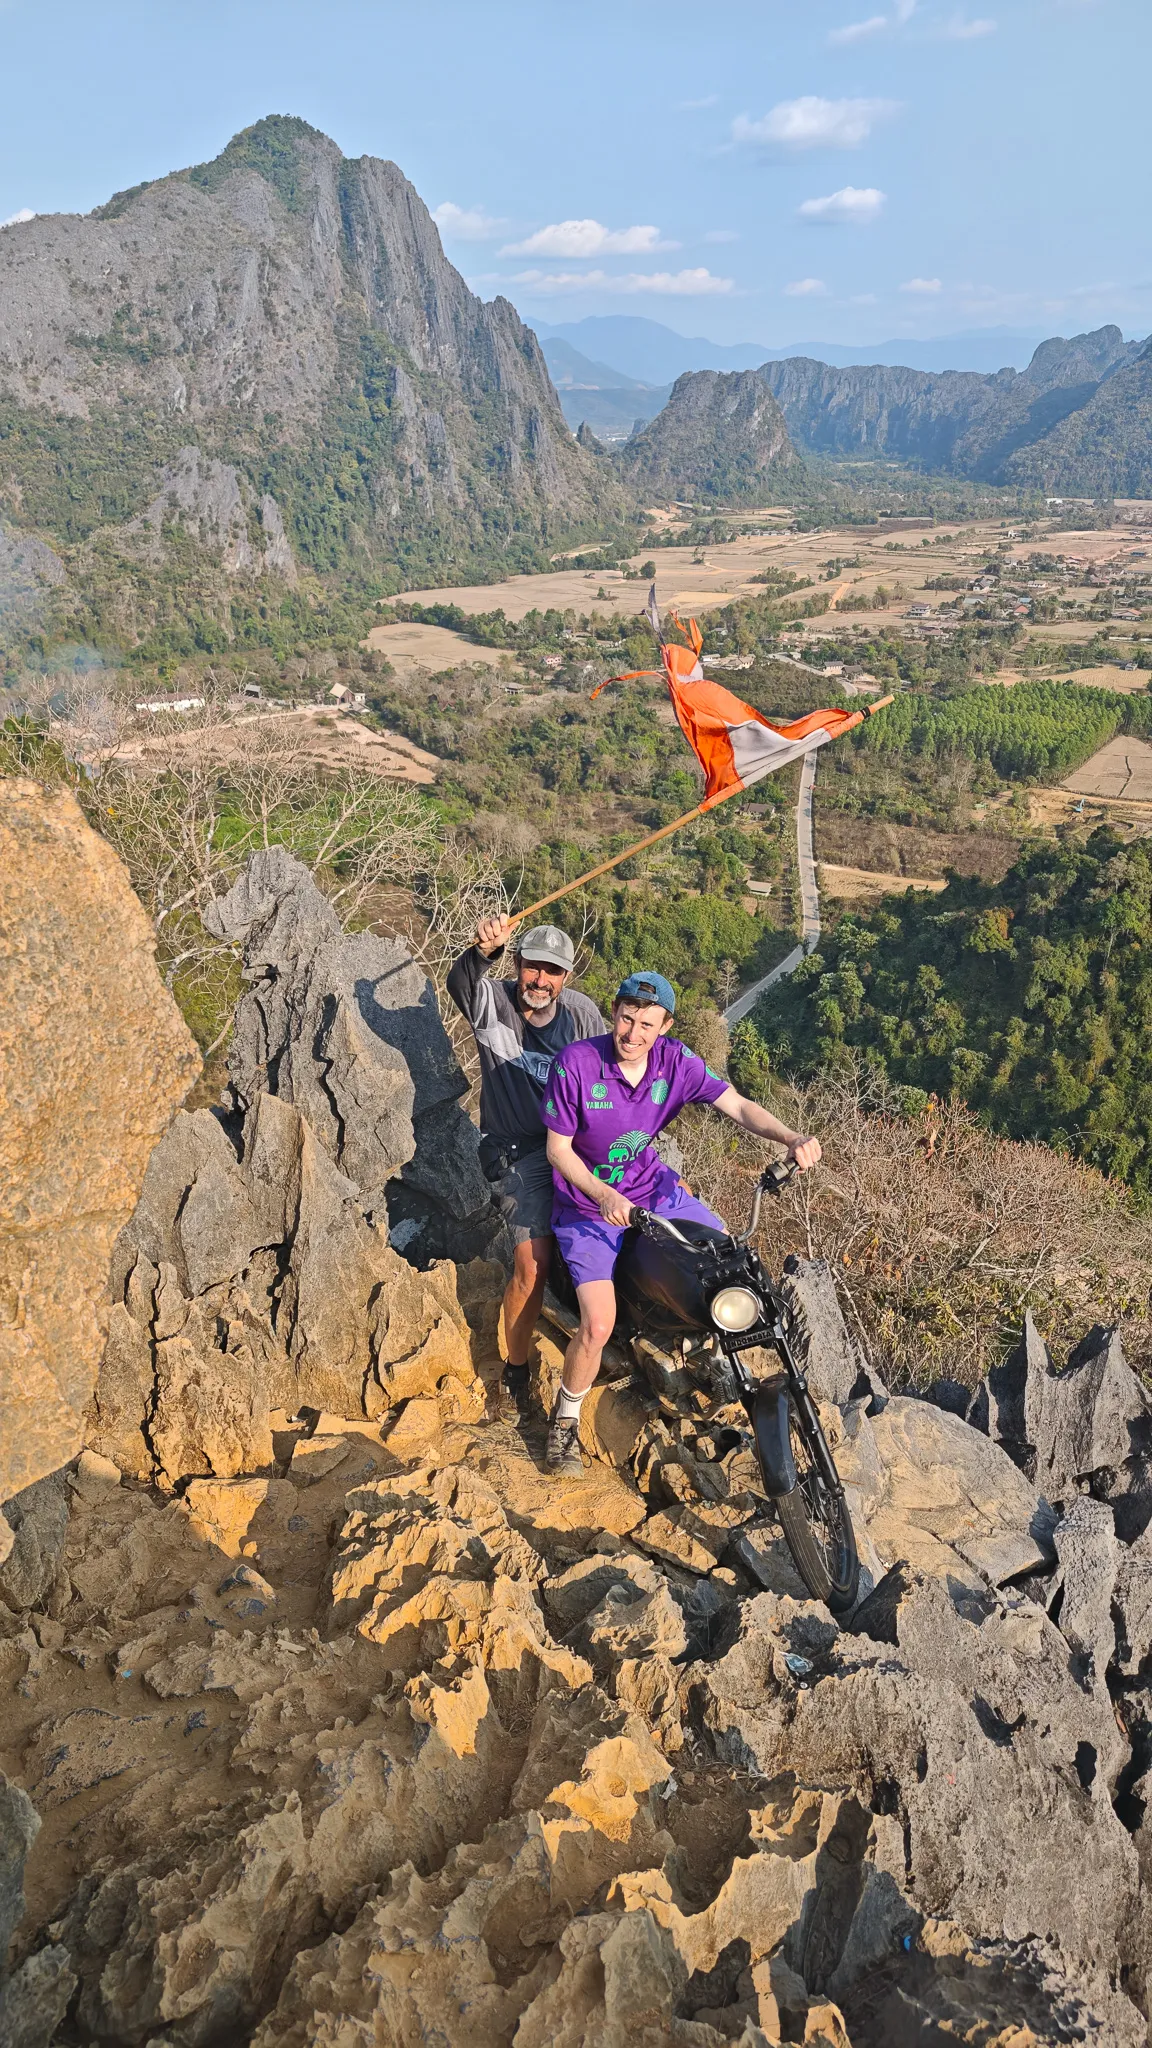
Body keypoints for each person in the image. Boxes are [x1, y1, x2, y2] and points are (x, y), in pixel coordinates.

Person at [541, 970, 821, 1477]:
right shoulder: (577, 1064)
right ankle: (564, 1420)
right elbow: (557, 1150)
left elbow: (736, 1104)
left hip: (655, 1190)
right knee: (598, 1322)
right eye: (627, 1019)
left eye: (648, 1025)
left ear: (665, 1026)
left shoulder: (675, 1062)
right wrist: (603, 1194)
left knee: (729, 1263)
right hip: (587, 1207)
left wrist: (789, 1136)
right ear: (614, 1012)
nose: (633, 1035)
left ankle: (719, 1361)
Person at [447, 913, 606, 1422]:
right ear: (517, 966)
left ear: (566, 977)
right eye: (532, 968)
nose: (541, 981)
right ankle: (516, 1371)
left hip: (574, 1145)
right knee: (532, 1265)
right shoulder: (491, 1000)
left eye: (552, 972)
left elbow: (607, 1079)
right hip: (516, 1150)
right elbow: (460, 981)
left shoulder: (581, 1016)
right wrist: (483, 951)